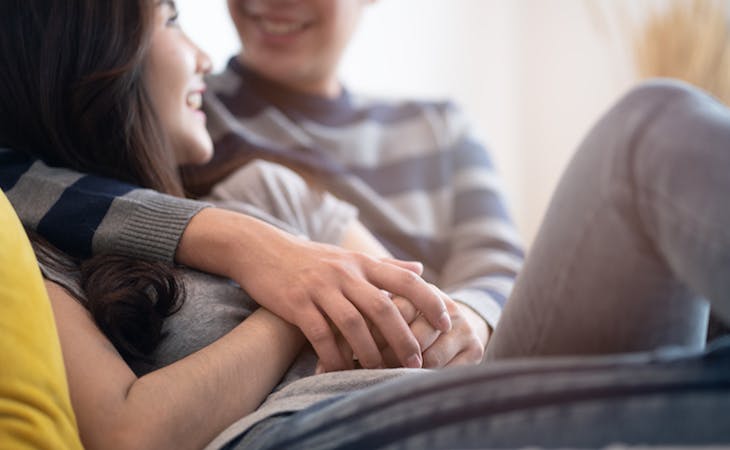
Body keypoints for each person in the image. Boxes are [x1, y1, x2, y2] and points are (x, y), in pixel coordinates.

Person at [3, 1, 730, 449]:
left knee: (653, 121)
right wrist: (292, 299)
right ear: (93, 62)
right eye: (171, 16)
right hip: (302, 429)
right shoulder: (35, 241)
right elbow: (129, 436)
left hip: (443, 389)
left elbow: (437, 310)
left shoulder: (266, 183)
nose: (203, 51)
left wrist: (337, 281)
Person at [0, 0, 523, 370]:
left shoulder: (441, 124)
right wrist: (240, 241)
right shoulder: (189, 112)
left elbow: (499, 258)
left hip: (473, 341)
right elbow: (18, 172)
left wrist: (468, 322)